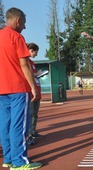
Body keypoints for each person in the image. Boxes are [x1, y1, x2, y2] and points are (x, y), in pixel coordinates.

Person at [0, 7, 42, 169]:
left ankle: (8, 158)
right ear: (18, 21)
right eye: (24, 23)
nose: (24, 27)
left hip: (1, 89)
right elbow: (24, 64)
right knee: (18, 125)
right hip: (17, 87)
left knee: (5, 124)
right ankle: (19, 162)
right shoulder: (16, 37)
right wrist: (33, 87)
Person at [27, 43, 44, 145]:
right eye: (35, 52)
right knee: (30, 114)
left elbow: (33, 75)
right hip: (30, 91)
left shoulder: (32, 62)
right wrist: (36, 74)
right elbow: (27, 74)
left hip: (37, 90)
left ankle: (33, 131)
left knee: (35, 114)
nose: (36, 55)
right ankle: (29, 135)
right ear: (31, 50)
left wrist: (37, 74)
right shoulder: (25, 61)